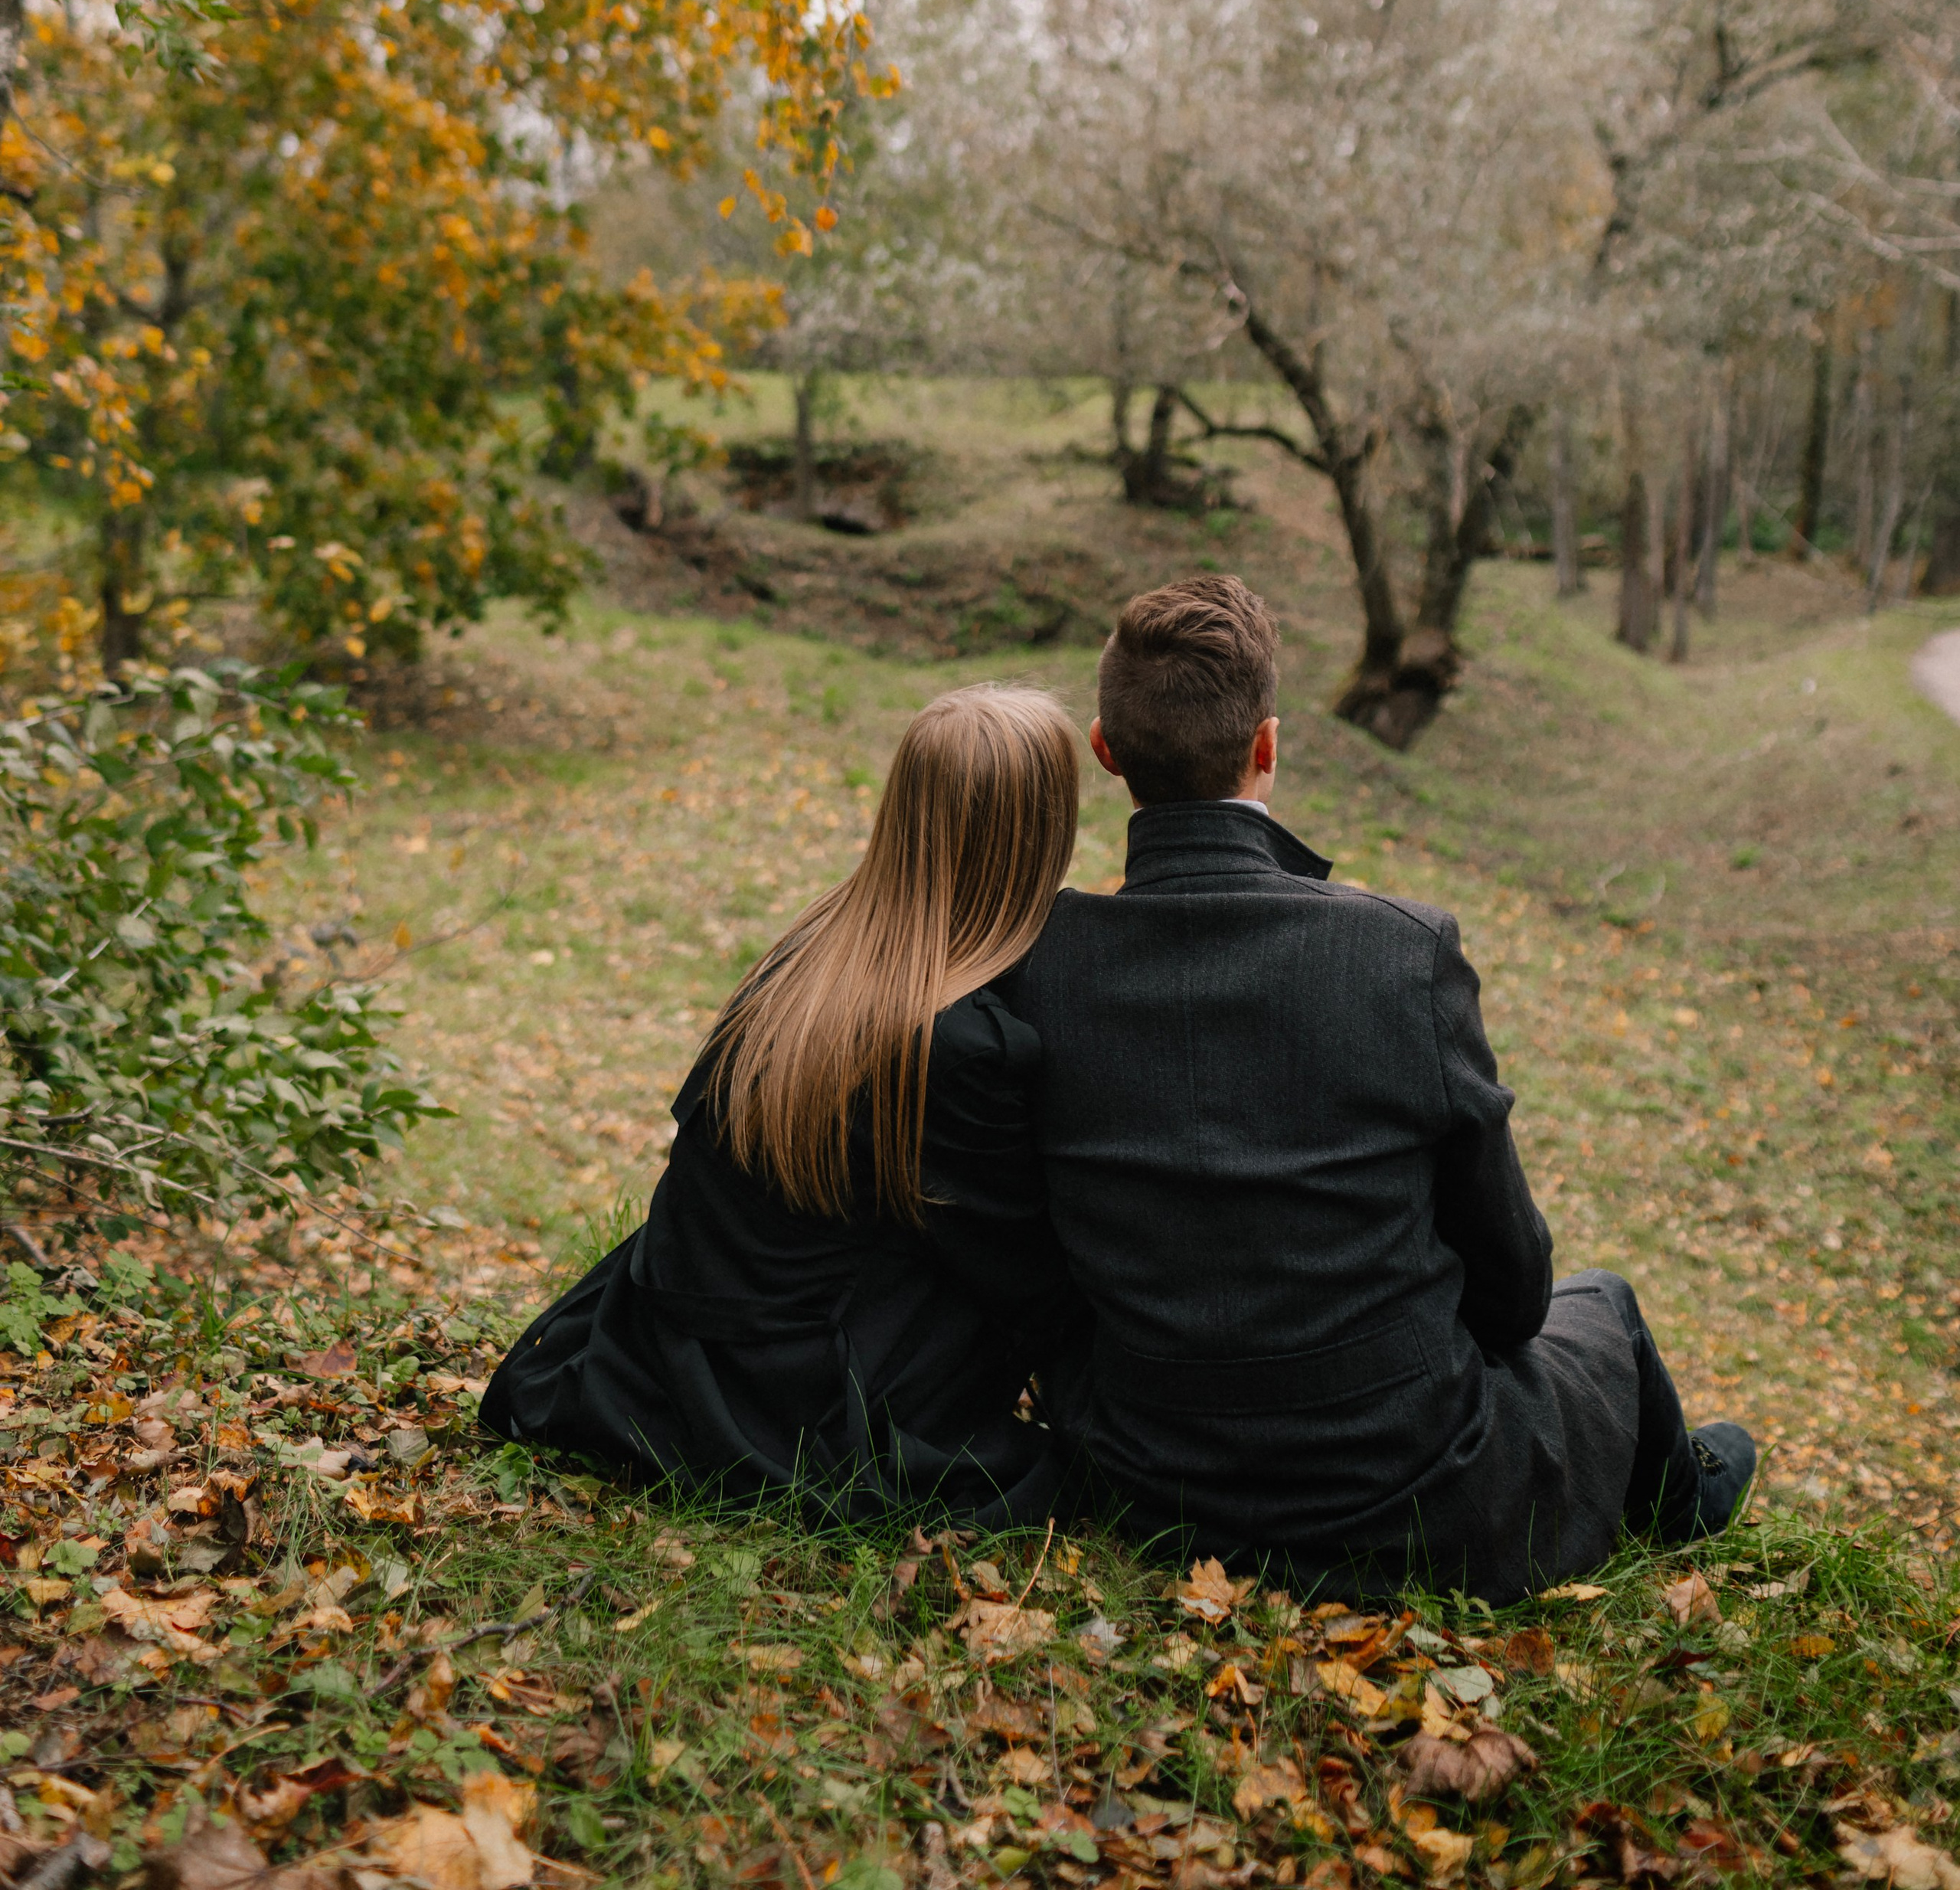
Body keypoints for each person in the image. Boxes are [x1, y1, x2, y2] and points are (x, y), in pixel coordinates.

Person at [999, 574, 1755, 1602]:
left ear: (1106, 751)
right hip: (1413, 1506)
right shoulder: (1399, 953)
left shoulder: (1037, 963)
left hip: (1153, 1488)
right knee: (1606, 1309)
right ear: (1267, 747)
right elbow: (1516, 1286)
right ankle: (1684, 1505)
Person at [481, 684, 1083, 1524]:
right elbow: (1027, 1277)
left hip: (667, 1354)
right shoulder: (957, 1043)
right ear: (1041, 832)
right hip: (788, 1410)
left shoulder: (815, 951)